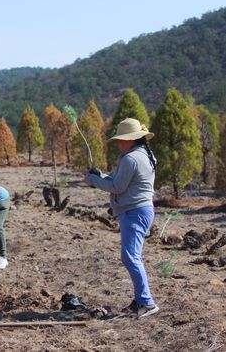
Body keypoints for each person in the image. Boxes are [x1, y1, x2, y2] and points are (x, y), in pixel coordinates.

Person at [85, 118, 159, 318]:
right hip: (141, 210)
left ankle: (147, 303)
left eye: (121, 140)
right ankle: (139, 302)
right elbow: (119, 180)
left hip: (134, 212)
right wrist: (101, 175)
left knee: (130, 257)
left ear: (131, 139)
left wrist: (93, 180)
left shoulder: (130, 158)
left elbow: (117, 187)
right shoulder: (144, 154)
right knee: (133, 256)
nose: (118, 143)